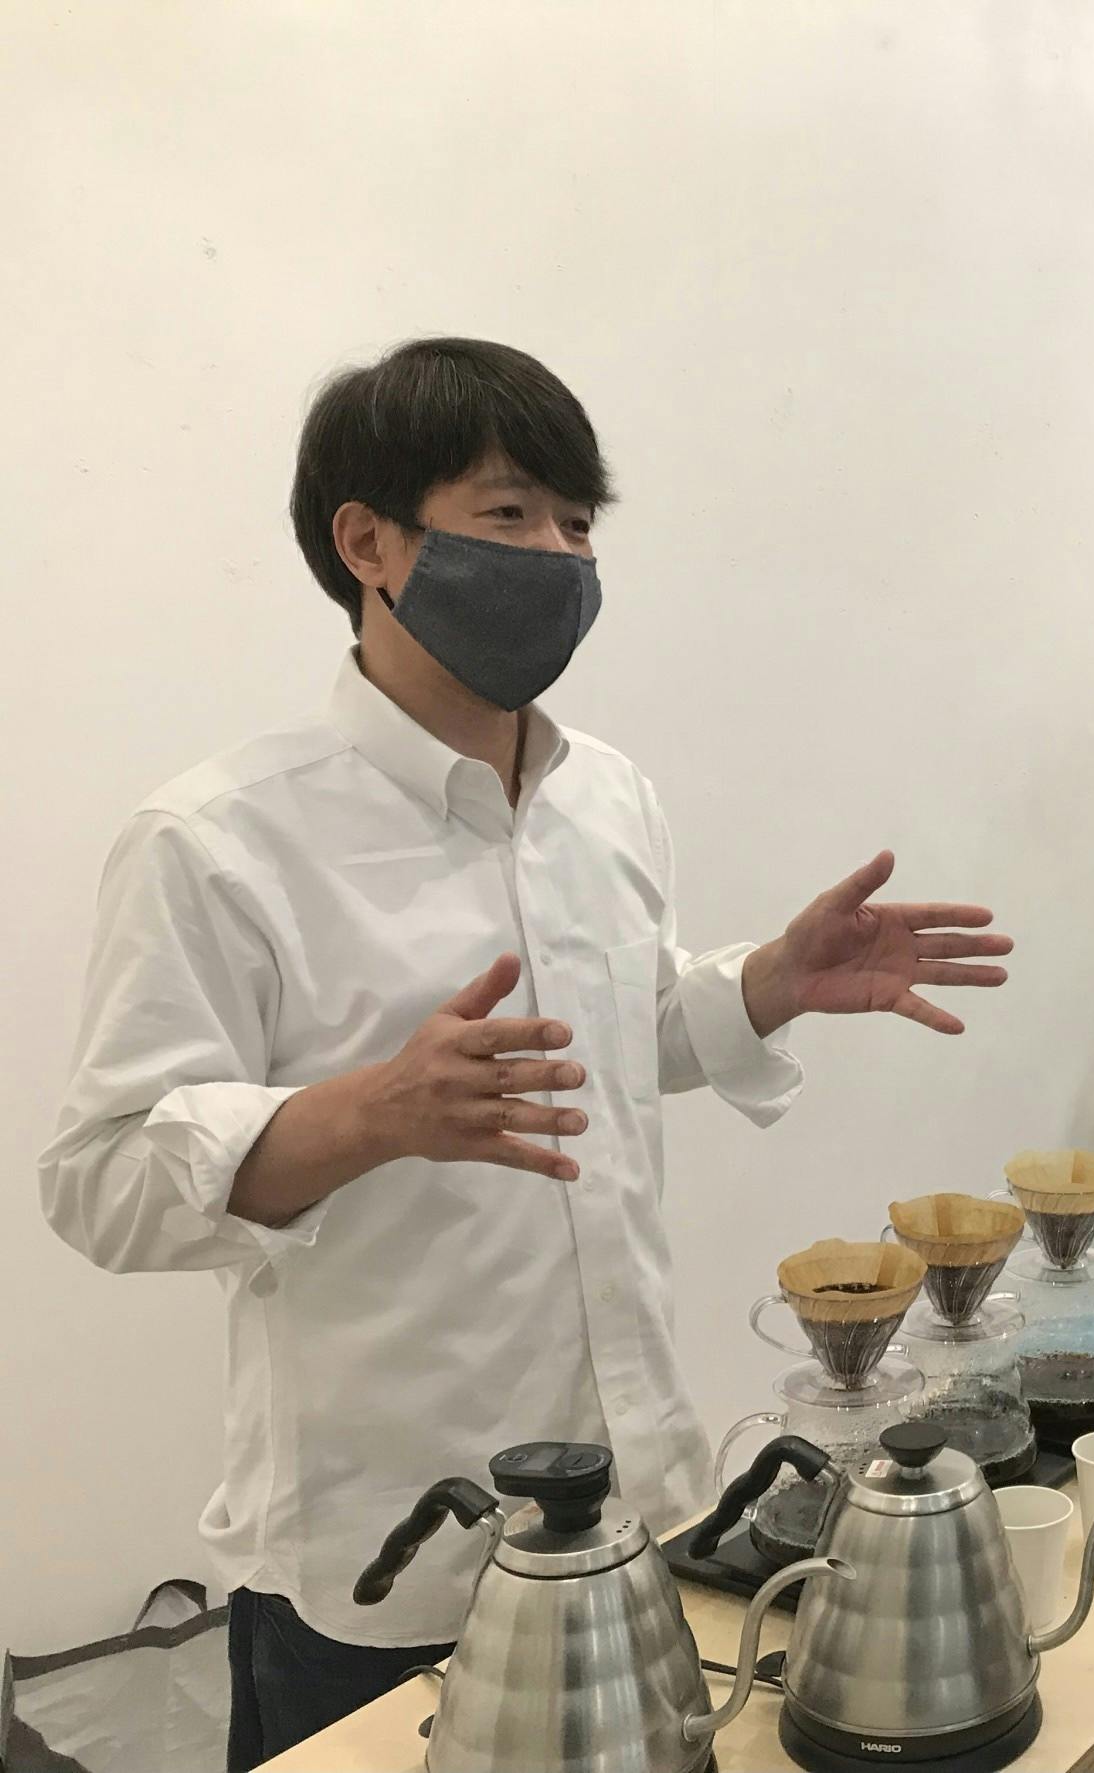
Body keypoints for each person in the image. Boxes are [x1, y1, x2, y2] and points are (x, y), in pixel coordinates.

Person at [39, 336, 1013, 1771]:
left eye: (577, 524)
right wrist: (366, 1114)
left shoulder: (605, 798)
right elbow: (99, 1180)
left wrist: (764, 985)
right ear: (367, 543)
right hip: (386, 1564)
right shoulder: (217, 841)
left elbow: (610, 1046)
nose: (557, 557)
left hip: (632, 1518)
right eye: (509, 514)